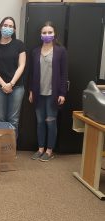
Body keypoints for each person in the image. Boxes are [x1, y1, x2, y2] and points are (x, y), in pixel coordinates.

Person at [29, 21, 68, 162]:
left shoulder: (60, 51)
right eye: (44, 32)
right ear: (40, 35)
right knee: (40, 122)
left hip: (53, 94)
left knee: (50, 122)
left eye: (49, 32)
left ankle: (49, 150)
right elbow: (32, 74)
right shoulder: (35, 51)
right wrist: (31, 91)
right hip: (39, 93)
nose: (47, 35)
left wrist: (62, 93)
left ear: (54, 34)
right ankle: (40, 149)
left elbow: (64, 74)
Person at [0, 16, 26, 135]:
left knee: (14, 120)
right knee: (1, 119)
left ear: (14, 30)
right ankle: (2, 150)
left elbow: (22, 65)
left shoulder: (19, 44)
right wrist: (4, 84)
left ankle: (11, 150)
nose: (7, 28)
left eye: (10, 26)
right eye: (5, 25)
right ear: (0, 27)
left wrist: (11, 84)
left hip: (17, 87)